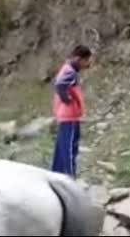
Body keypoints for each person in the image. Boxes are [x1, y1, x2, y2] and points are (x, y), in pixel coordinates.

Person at [51, 45, 92, 177]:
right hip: (69, 116)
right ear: (79, 59)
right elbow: (59, 84)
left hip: (65, 116)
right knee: (69, 149)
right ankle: (70, 177)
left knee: (61, 148)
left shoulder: (67, 69)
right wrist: (68, 100)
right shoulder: (70, 71)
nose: (87, 64)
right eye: (86, 61)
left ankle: (56, 175)